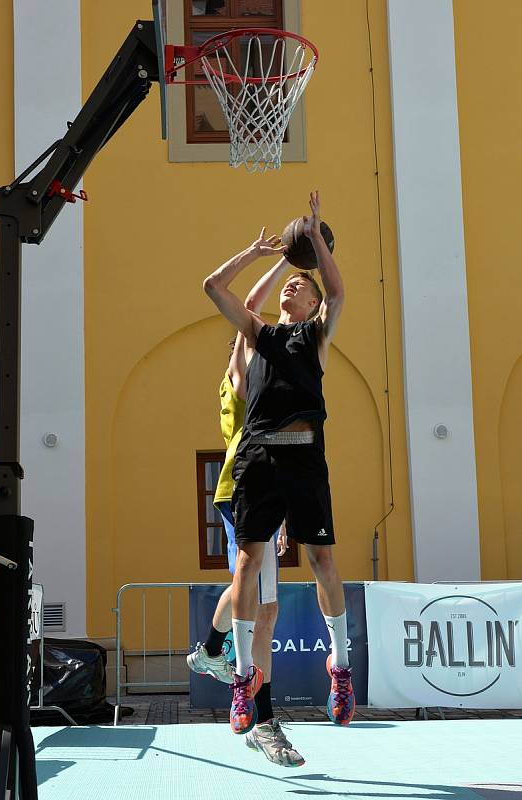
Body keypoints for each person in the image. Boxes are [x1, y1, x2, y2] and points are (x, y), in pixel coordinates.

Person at [203, 190, 355, 737]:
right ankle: (242, 679)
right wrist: (257, 255)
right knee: (246, 567)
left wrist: (314, 237)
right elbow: (213, 288)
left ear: (313, 302)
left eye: (302, 283)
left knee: (323, 562)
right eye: (293, 281)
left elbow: (338, 290)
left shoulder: (315, 336)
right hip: (257, 460)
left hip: (305, 458)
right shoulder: (257, 335)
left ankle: (339, 664)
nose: (295, 284)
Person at [188, 258, 305, 766]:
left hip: (260, 489)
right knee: (262, 606)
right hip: (242, 487)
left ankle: (211, 651)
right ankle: (263, 719)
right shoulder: (241, 374)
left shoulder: (269, 386)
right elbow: (250, 308)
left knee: (259, 599)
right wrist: (277, 259)